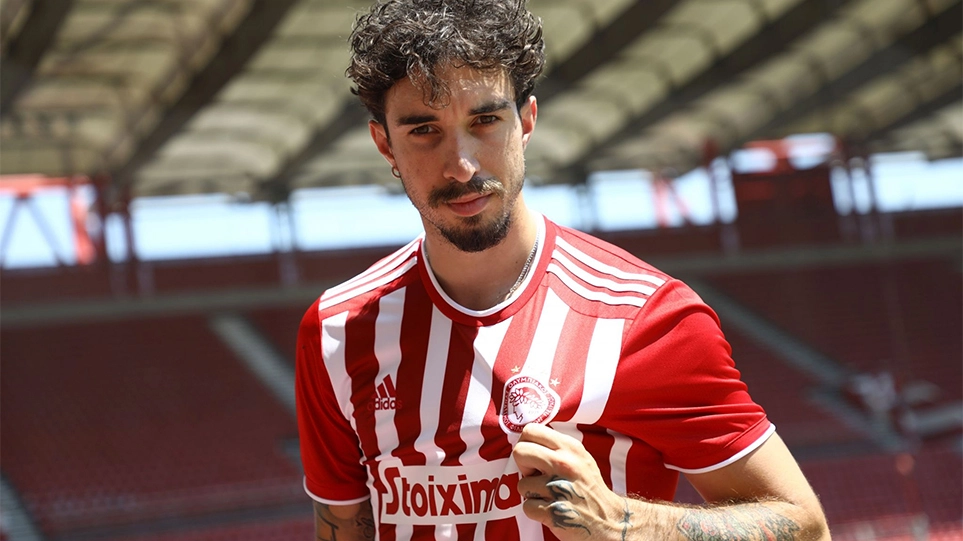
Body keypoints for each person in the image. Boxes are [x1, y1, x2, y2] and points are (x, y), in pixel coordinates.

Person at [295, 0, 831, 539]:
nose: (461, 165)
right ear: (384, 144)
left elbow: (805, 527)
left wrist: (624, 523)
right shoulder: (336, 331)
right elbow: (342, 527)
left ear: (526, 121)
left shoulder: (645, 320)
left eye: (485, 120)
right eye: (424, 131)